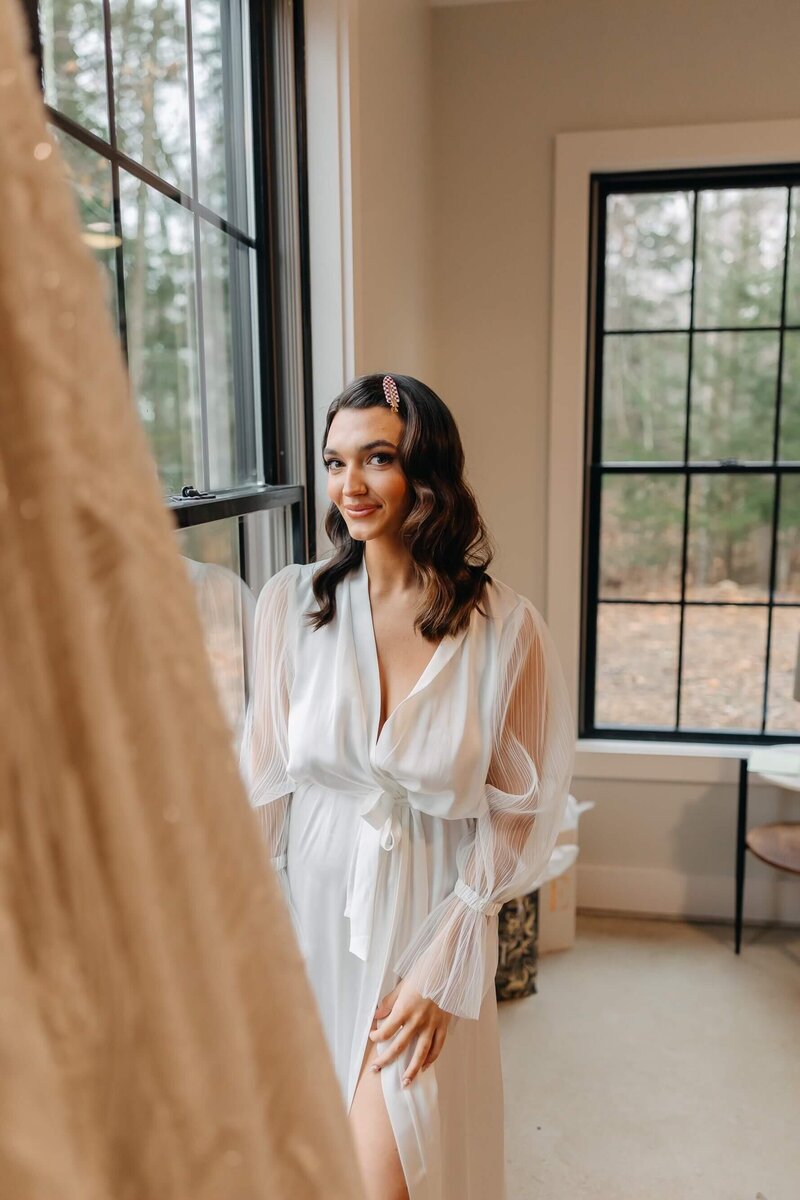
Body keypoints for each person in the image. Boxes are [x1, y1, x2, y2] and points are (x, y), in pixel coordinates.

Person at [240, 373, 574, 1200]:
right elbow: (262, 789)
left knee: (397, 1166)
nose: (349, 486)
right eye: (334, 461)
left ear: (426, 472)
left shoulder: (505, 629)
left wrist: (448, 953)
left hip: (430, 917)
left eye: (377, 459)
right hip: (309, 920)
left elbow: (516, 812)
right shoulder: (292, 606)